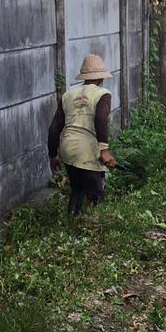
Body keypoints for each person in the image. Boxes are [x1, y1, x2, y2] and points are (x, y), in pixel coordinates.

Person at [48, 54, 118, 215]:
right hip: (87, 150)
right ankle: (92, 230)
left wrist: (53, 155)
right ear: (101, 77)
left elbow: (54, 128)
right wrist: (104, 150)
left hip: (68, 148)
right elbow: (101, 118)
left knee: (77, 188)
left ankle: (72, 224)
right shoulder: (102, 94)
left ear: (84, 77)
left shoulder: (68, 95)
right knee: (96, 194)